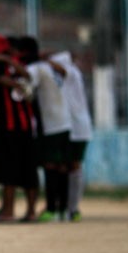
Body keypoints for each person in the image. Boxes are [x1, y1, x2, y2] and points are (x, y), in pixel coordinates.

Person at [0, 34, 39, 222]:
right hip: (19, 125)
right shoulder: (11, 64)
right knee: (25, 169)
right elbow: (4, 79)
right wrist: (18, 82)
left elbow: (24, 77)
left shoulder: (2, 63)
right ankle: (27, 211)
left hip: (9, 126)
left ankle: (10, 212)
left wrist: (9, 62)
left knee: (12, 170)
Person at [21, 37, 71, 222]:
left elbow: (26, 91)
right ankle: (63, 210)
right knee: (63, 166)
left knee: (51, 166)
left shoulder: (35, 68)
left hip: (50, 124)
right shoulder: (50, 66)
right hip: (65, 121)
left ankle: (51, 209)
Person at [53, 51, 93, 221]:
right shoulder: (63, 80)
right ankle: (64, 206)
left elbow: (58, 68)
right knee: (65, 167)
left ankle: (73, 207)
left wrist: (42, 60)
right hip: (69, 126)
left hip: (78, 128)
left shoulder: (72, 73)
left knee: (74, 166)